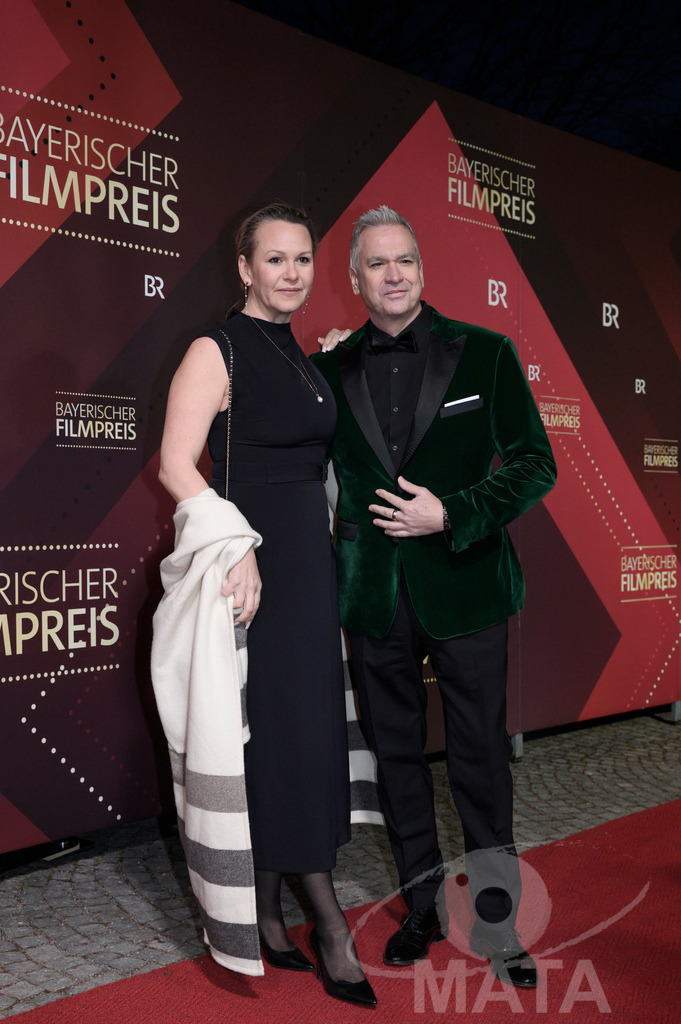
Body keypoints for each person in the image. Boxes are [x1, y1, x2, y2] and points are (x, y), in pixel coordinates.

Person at [312, 205, 557, 989]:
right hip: (373, 595)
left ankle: (497, 923)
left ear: (422, 270)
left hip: (466, 587)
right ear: (355, 280)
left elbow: (532, 464)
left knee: (481, 760)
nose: (393, 274)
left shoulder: (483, 353)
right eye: (378, 264)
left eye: (405, 261)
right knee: (396, 760)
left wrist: (449, 512)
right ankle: (419, 905)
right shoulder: (327, 370)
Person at [155, 203, 376, 1007]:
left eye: (302, 260)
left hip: (308, 572)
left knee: (305, 732)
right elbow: (177, 464)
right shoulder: (217, 349)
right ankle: (330, 923)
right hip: (251, 573)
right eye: (274, 260)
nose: (291, 273)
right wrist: (238, 544)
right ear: (244, 268)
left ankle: (271, 911)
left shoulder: (300, 357)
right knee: (281, 735)